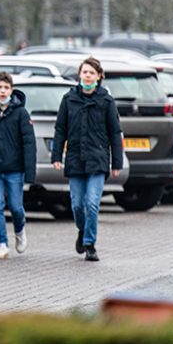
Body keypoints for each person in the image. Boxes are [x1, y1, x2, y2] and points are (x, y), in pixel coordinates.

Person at [51, 56, 123, 262]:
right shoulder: (68, 99)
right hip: (75, 159)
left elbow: (115, 132)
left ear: (99, 77)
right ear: (80, 75)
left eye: (92, 73)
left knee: (92, 204)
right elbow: (60, 129)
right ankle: (82, 231)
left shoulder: (106, 101)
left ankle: (90, 244)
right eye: (85, 72)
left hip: (98, 160)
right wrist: (57, 155)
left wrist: (117, 162)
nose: (88, 76)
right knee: (77, 206)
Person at [0, 71, 36, 260]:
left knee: (16, 207)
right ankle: (1, 244)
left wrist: (29, 172)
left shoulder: (20, 113)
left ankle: (20, 231)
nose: (2, 91)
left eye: (6, 88)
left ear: (11, 90)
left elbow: (29, 143)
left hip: (14, 169)